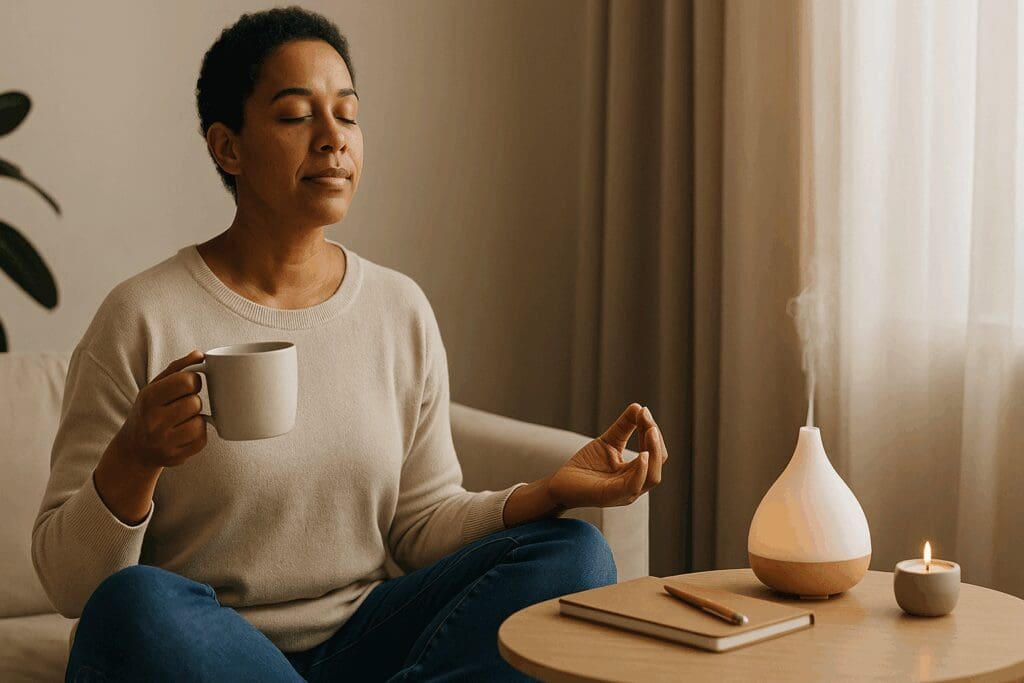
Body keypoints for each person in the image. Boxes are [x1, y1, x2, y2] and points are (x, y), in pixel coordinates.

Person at [31, 6, 669, 682]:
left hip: (365, 636)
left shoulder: (397, 308)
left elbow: (420, 525)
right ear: (228, 147)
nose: (334, 138)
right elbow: (72, 586)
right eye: (295, 115)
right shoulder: (142, 316)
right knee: (133, 604)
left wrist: (545, 492)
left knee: (575, 554)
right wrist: (135, 456)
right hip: (208, 647)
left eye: (348, 114)